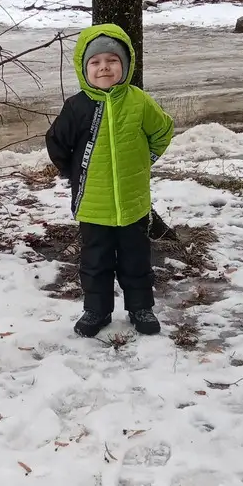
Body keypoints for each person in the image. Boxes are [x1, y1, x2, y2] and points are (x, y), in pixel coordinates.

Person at [45, 23, 174, 338]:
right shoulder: (77, 107)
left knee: (136, 259)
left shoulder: (138, 101)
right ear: (84, 68)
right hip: (93, 204)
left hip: (133, 202)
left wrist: (147, 161)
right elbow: (56, 144)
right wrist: (74, 172)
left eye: (112, 61)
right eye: (96, 62)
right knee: (95, 260)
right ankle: (96, 311)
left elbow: (163, 131)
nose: (104, 68)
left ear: (125, 64)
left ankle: (140, 307)